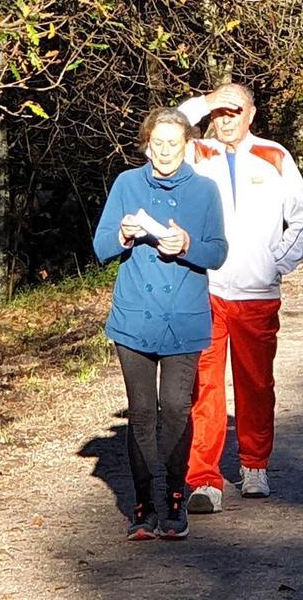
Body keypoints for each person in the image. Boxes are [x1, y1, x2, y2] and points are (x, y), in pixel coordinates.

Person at [171, 83, 303, 511]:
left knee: (256, 384)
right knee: (205, 388)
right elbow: (158, 143)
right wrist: (201, 104)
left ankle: (254, 465)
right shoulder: (196, 154)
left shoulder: (275, 156)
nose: (225, 119)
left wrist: (275, 265)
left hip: (257, 295)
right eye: (219, 112)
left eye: (234, 110)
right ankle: (204, 480)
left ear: (251, 114)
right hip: (207, 291)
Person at [92, 107, 228, 540]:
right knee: (142, 413)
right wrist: (123, 234)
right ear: (145, 144)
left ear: (188, 146)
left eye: (174, 143)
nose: (165, 151)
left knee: (174, 408)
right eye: (158, 143)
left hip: (184, 319)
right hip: (133, 318)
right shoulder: (127, 183)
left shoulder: (205, 190)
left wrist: (188, 244)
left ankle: (174, 499)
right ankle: (144, 507)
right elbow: (100, 247)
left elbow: (218, 252)